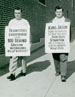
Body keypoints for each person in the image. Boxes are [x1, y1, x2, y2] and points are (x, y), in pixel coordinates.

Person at [6, 7, 31, 81]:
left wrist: (29, 42)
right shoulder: (11, 22)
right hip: (14, 43)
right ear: (14, 13)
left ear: (21, 13)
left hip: (23, 42)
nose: (17, 14)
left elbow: (28, 33)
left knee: (23, 58)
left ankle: (23, 71)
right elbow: (9, 33)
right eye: (16, 13)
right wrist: (7, 43)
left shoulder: (25, 22)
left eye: (18, 13)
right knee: (13, 58)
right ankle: (12, 74)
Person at [50, 6, 71, 82]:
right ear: (55, 12)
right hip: (54, 44)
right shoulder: (51, 22)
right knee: (56, 58)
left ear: (62, 12)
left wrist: (68, 41)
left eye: (60, 12)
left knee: (63, 58)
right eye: (57, 12)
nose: (58, 13)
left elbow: (69, 32)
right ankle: (58, 70)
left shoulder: (67, 21)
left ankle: (63, 75)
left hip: (63, 43)